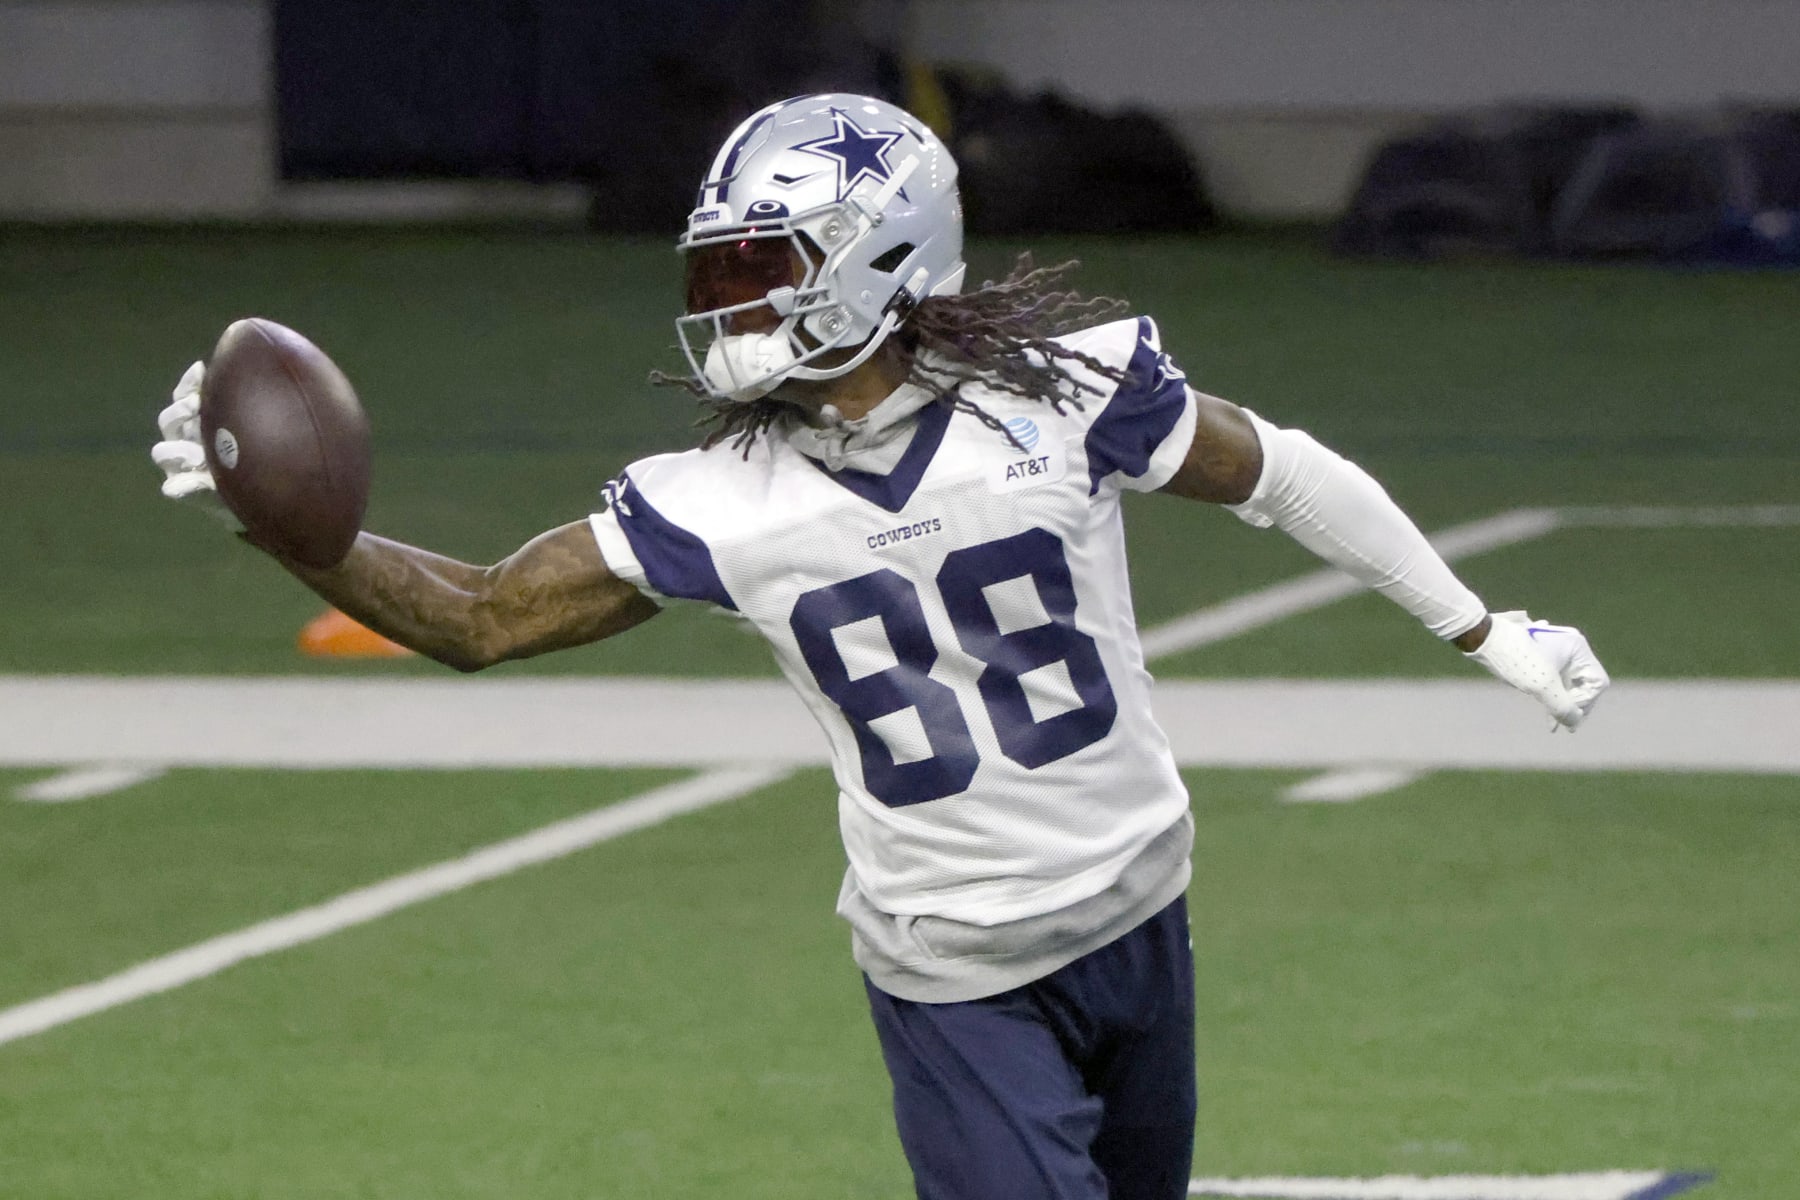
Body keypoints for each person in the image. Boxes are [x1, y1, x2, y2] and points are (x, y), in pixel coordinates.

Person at [152, 94, 1609, 1200]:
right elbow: (479, 617)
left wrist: (1480, 624)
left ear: (881, 257)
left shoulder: (1069, 392)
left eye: (757, 267)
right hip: (954, 973)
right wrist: (295, 528)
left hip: (1141, 917)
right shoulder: (721, 499)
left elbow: (1282, 471)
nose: (724, 305)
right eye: (713, 273)